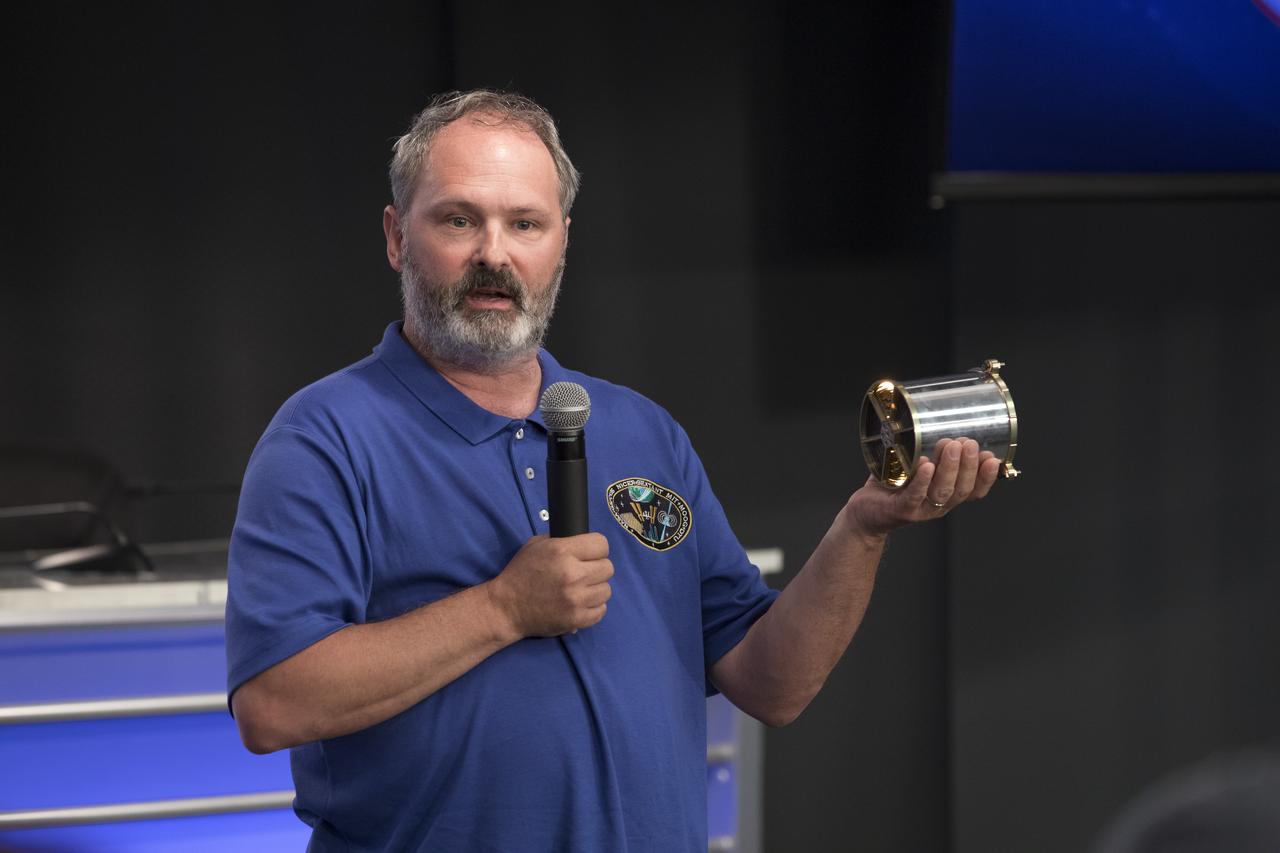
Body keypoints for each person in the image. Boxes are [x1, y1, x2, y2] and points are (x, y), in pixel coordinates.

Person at [224, 89, 1001, 852]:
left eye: (524, 223)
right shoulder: (324, 437)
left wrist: (862, 529)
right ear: (398, 237)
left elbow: (772, 683)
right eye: (459, 219)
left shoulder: (643, 431)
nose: (494, 253)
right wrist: (502, 608)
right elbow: (274, 701)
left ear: (561, 242)